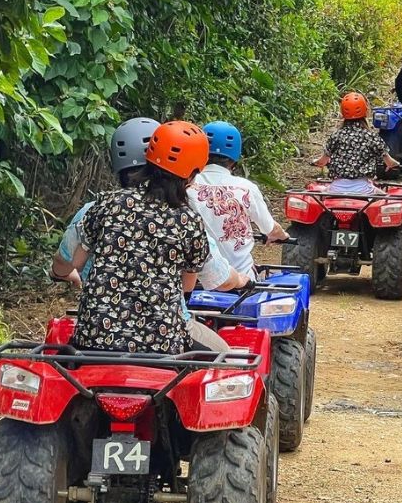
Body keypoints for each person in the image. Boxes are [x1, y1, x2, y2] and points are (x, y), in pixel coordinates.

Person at [52, 121, 234, 354]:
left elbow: (75, 262)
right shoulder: (189, 220)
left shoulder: (106, 203)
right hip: (164, 346)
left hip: (92, 341)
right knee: (228, 364)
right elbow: (186, 286)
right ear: (193, 174)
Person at [189, 121, 290, 279]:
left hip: (194, 280)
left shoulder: (185, 186)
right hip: (240, 277)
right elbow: (270, 228)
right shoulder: (246, 188)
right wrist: (282, 235)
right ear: (235, 158)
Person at [312, 92, 400, 195]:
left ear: (342, 113)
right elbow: (390, 163)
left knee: (321, 191)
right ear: (366, 111)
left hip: (336, 189)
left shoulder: (335, 136)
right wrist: (396, 164)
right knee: (386, 197)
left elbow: (322, 162)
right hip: (363, 189)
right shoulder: (371, 137)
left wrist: (315, 162)